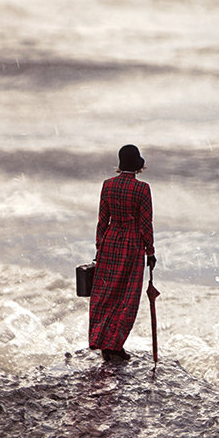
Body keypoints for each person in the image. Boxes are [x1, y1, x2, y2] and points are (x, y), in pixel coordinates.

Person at [89, 144, 156, 362]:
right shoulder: (142, 189)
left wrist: (99, 247)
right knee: (127, 297)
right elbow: (146, 224)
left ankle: (100, 340)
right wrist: (150, 252)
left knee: (105, 294)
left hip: (110, 242)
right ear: (137, 165)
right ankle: (115, 344)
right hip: (132, 244)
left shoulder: (107, 185)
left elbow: (102, 220)